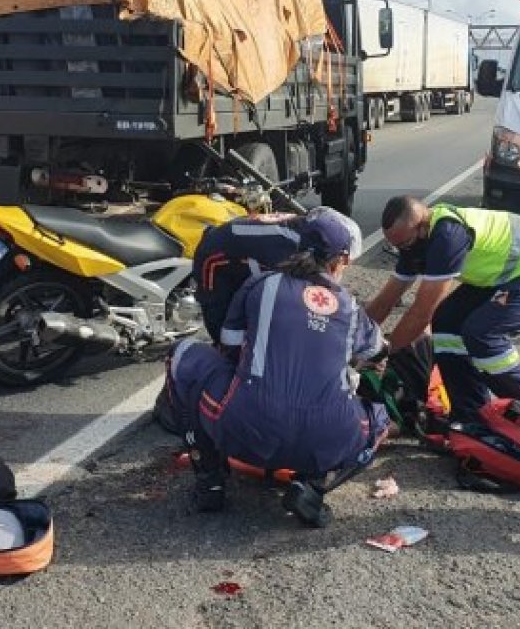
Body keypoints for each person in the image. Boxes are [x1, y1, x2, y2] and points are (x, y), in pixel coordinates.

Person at [166, 210, 388, 527]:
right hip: (325, 438)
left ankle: (209, 481)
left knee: (182, 354)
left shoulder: (260, 284)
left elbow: (229, 347)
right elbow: (379, 351)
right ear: (340, 262)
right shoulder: (351, 308)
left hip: (246, 431)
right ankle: (312, 486)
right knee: (378, 420)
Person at [365, 198, 520, 426]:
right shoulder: (415, 242)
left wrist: (382, 354)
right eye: (396, 246)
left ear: (422, 225)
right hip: (508, 275)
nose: (403, 251)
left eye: (405, 244)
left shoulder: (447, 236)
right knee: (447, 323)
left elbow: (422, 311)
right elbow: (384, 302)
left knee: (483, 333)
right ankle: (470, 417)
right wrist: (352, 342)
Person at [192, 207, 362, 343]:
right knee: (225, 333)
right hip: (213, 255)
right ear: (340, 257)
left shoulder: (312, 234)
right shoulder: (293, 248)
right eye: (344, 265)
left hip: (238, 245)